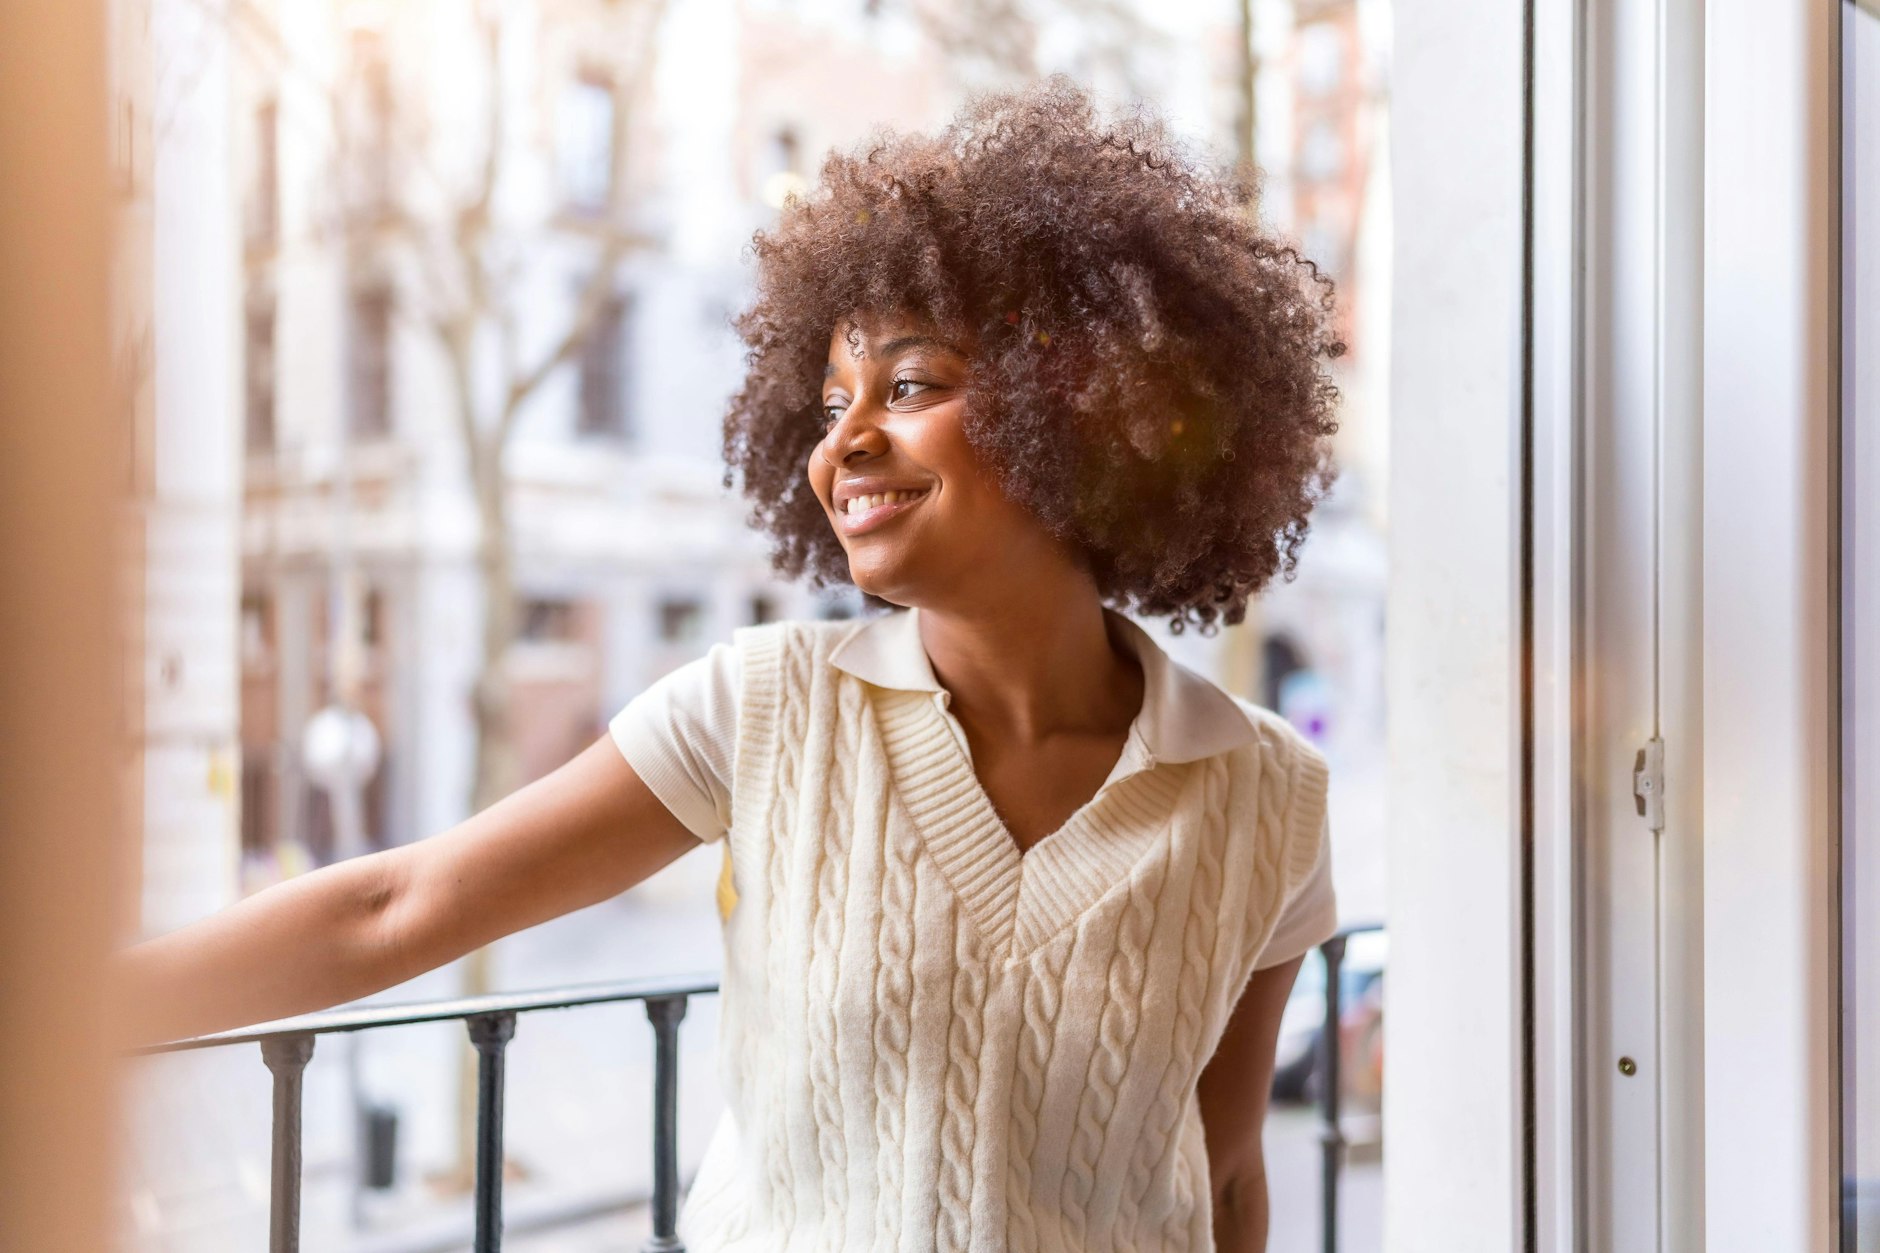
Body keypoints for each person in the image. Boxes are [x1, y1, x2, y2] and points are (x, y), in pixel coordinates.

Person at [118, 78, 1345, 1253]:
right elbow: (392, 907)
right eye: (825, 401)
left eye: (907, 383)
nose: (843, 442)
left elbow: (1220, 1173)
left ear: (1077, 409)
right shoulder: (762, 707)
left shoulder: (1266, 798)